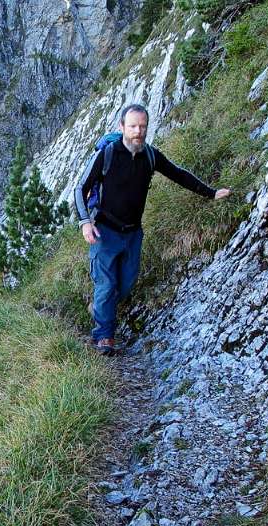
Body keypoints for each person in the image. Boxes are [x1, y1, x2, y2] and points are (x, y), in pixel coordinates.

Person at [75, 103, 231, 354]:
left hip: (133, 233)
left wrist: (211, 193)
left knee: (125, 284)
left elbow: (179, 174)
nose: (138, 131)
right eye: (133, 126)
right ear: (122, 127)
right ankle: (104, 336)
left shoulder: (150, 156)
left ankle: (100, 309)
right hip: (104, 231)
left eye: (143, 126)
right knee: (106, 284)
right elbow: (80, 188)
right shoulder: (107, 154)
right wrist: (85, 222)